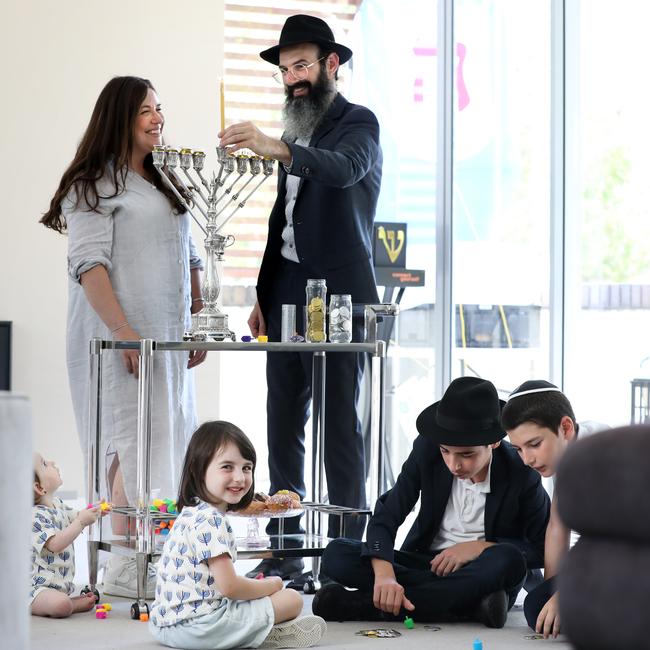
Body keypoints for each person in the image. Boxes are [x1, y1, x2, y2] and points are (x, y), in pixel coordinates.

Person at [218, 14, 382, 581]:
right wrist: (265, 290)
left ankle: (343, 556)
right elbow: (283, 221)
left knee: (341, 423)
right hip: (286, 290)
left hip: (341, 294)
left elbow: (342, 171)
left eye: (303, 65)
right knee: (282, 416)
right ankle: (286, 546)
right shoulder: (292, 134)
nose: (293, 78)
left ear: (331, 65)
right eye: (286, 70)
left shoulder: (359, 124)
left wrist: (279, 150)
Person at [40, 76, 207, 596]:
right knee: (126, 444)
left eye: (160, 108)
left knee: (169, 441)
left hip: (165, 338)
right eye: (144, 111)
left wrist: (198, 316)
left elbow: (191, 254)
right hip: (117, 340)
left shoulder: (167, 180)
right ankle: (125, 569)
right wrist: (124, 332)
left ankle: (164, 561)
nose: (158, 118)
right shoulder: (92, 185)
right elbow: (90, 266)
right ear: (119, 118)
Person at [311, 377, 550, 628]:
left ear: (494, 441)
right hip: (425, 564)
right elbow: (387, 515)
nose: (454, 465)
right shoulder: (427, 450)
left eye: (467, 454)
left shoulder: (521, 471)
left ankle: (362, 605)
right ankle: (470, 607)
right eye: (446, 451)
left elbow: (541, 549)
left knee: (509, 560)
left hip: (482, 571)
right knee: (336, 554)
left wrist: (479, 548)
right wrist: (385, 576)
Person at [149, 420, 326, 649]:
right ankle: (255, 635)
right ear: (197, 469)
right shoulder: (211, 520)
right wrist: (271, 586)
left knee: (256, 594)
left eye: (246, 467)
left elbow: (220, 584)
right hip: (202, 629)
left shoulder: (190, 513)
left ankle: (251, 632)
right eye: (227, 467)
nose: (240, 477)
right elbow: (230, 588)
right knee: (292, 599)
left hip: (165, 626)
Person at [501, 379, 589, 639]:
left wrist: (568, 591)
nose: (527, 460)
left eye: (534, 444)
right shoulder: (565, 456)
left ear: (565, 427)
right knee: (536, 606)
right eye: (518, 449)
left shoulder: (598, 458)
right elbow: (557, 527)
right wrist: (553, 591)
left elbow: (615, 542)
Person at [30, 452, 110, 617]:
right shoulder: (34, 516)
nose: (52, 461)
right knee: (61, 605)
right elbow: (55, 544)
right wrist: (81, 522)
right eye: (44, 464)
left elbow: (76, 516)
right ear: (39, 488)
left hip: (57, 586)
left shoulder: (57, 504)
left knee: (60, 601)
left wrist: (95, 510)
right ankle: (67, 604)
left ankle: (65, 601)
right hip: (35, 589)